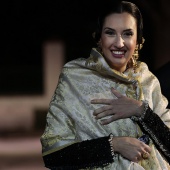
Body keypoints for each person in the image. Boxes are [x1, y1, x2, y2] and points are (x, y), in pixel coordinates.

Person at [40, 1, 170, 169]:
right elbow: (53, 155)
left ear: (138, 38)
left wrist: (141, 111)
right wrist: (114, 144)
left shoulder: (147, 81)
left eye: (127, 34)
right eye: (110, 33)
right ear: (99, 37)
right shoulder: (75, 77)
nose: (119, 43)